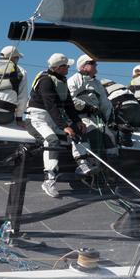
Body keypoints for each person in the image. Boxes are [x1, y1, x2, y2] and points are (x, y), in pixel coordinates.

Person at [26, 53, 95, 198]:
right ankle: (49, 180)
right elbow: (50, 106)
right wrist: (64, 126)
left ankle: (82, 164)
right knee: (52, 141)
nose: (69, 68)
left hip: (53, 119)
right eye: (66, 66)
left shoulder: (61, 80)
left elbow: (68, 105)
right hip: (37, 118)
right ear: (58, 68)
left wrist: (77, 121)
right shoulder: (45, 80)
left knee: (79, 130)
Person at [67, 54, 118, 159]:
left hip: (97, 118)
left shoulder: (97, 83)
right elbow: (70, 99)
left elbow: (105, 103)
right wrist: (87, 107)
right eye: (92, 63)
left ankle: (112, 163)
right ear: (83, 66)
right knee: (94, 134)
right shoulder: (74, 80)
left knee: (110, 137)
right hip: (81, 117)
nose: (96, 65)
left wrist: (109, 120)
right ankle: (92, 163)